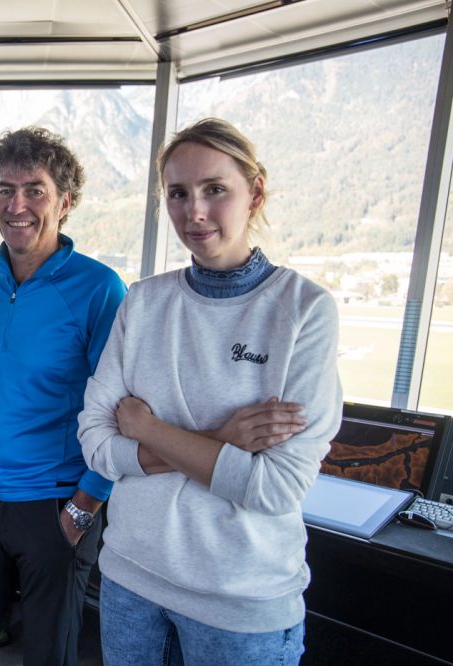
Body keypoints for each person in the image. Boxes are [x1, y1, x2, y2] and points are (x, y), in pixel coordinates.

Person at [78, 118, 343, 665]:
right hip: (131, 580)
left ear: (256, 191)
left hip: (240, 605)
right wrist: (221, 439)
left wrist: (149, 430)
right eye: (178, 194)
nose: (193, 212)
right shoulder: (144, 302)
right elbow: (97, 446)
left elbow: (274, 488)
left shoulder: (303, 311)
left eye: (214, 190)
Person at [0, 127, 128, 666]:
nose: (16, 204)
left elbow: (119, 408)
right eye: (3, 189)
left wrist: (84, 508)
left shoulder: (99, 289)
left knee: (47, 655)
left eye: (34, 190)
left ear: (65, 203)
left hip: (57, 502)